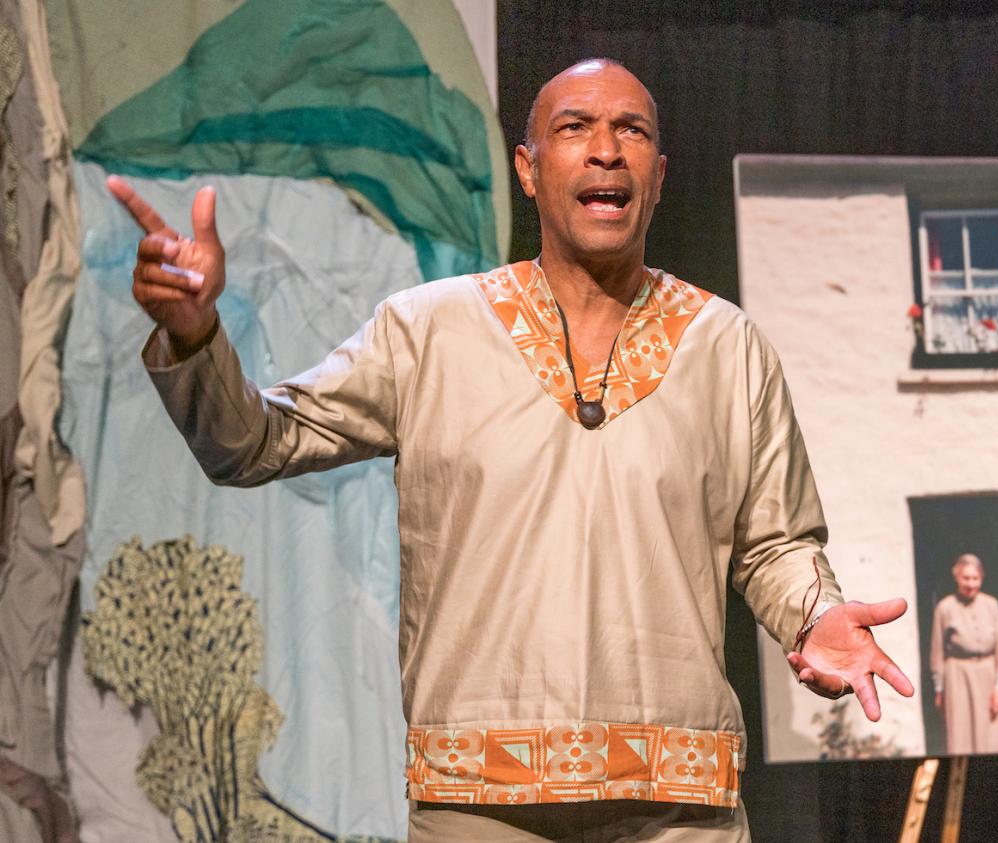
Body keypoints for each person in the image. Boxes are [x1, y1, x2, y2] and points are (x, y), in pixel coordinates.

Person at [107, 58, 914, 841]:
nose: (606, 148)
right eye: (577, 128)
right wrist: (194, 332)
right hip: (481, 803)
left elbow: (775, 540)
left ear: (659, 176)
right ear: (529, 170)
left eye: (630, 130)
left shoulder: (726, 345)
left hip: (677, 801)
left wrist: (816, 613)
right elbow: (253, 440)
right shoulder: (426, 331)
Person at [929, 553, 998, 754]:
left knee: (994, 738)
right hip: (958, 678)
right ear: (957, 578)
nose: (970, 584)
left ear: (982, 578)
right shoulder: (945, 608)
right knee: (962, 737)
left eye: (975, 578)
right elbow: (937, 652)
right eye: (966, 578)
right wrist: (940, 689)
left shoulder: (992, 605)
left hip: (988, 675)